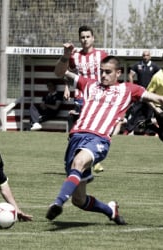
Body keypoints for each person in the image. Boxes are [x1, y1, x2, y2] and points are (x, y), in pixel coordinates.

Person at [46, 46, 163, 224]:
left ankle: (58, 202)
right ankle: (110, 210)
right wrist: (66, 56)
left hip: (98, 138)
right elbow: (60, 73)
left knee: (79, 162)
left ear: (118, 73)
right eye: (101, 72)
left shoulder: (129, 89)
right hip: (75, 138)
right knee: (79, 200)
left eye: (108, 72)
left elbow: (161, 99)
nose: (103, 75)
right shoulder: (90, 84)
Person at [55, 25, 108, 173]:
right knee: (79, 130)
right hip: (81, 97)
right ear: (80, 39)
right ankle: (80, 158)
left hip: (98, 98)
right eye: (82, 37)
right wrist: (66, 86)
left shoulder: (102, 55)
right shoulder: (75, 56)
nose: (85, 40)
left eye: (87, 37)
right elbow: (66, 71)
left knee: (96, 129)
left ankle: (92, 157)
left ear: (93, 38)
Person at [123, 50, 160, 135]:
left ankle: (147, 133)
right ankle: (127, 130)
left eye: (147, 55)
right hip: (140, 93)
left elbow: (160, 77)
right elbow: (130, 74)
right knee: (135, 112)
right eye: (144, 55)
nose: (145, 57)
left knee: (149, 114)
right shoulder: (138, 65)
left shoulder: (154, 66)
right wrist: (132, 86)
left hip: (150, 94)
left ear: (150, 56)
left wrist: (156, 89)